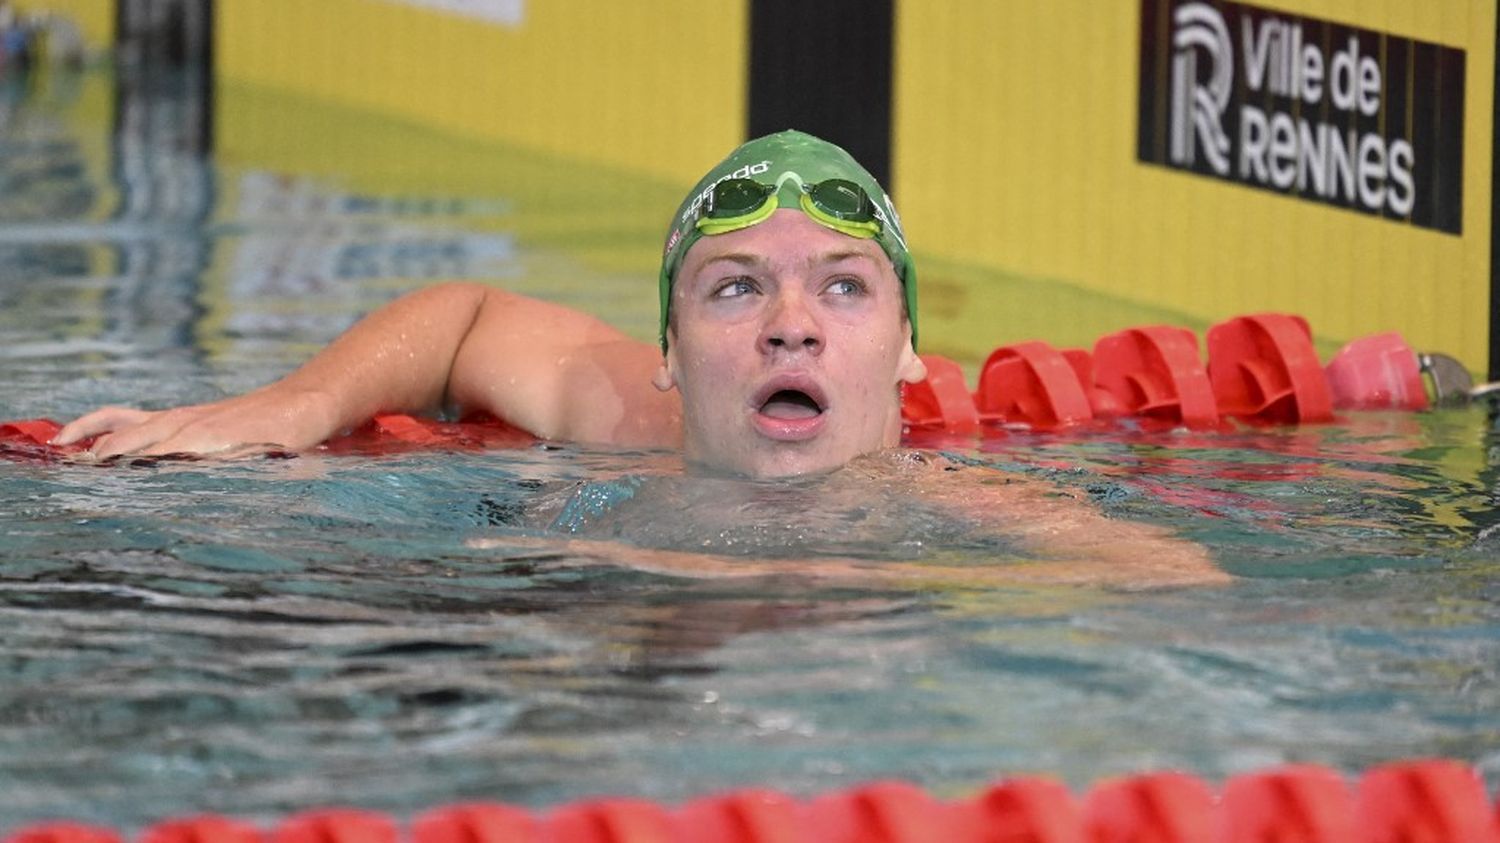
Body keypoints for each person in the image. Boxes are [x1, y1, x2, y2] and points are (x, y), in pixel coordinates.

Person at [55, 130, 1225, 586]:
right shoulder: (626, 420)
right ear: (668, 353)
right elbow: (464, 318)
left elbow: (1181, 588)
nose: (790, 322)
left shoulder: (980, 510)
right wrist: (296, 405)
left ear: (912, 353)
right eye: (735, 287)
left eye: (844, 287)